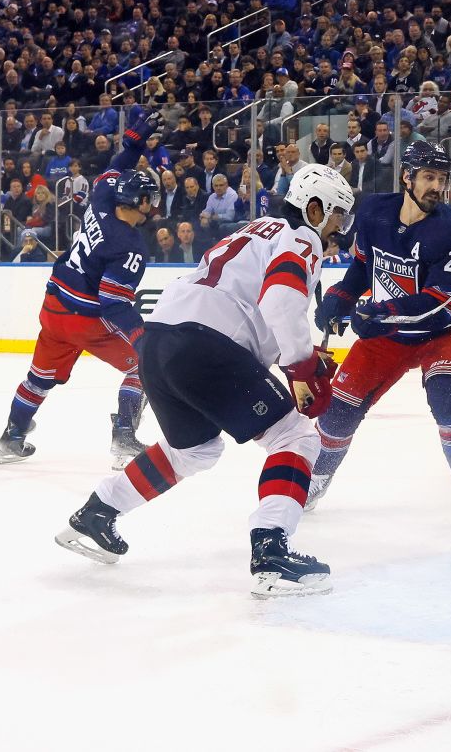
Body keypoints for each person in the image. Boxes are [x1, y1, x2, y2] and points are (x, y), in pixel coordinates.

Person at [55, 165, 356, 598]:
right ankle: (271, 552)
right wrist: (301, 367)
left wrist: (297, 353)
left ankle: (97, 512)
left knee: (194, 449)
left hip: (159, 341)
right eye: (336, 218)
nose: (338, 231)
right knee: (296, 437)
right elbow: (280, 299)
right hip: (205, 344)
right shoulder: (301, 236)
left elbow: (253, 304)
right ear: (314, 207)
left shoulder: (259, 228)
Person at [308, 142, 451, 517]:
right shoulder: (373, 212)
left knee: (448, 397)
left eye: (442, 178)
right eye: (428, 177)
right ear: (407, 177)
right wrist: (340, 297)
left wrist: (378, 313)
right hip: (387, 331)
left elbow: (438, 304)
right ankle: (318, 478)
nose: (437, 186)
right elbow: (360, 268)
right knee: (339, 409)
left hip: (445, 331)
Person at [0, 113, 161, 468]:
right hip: (85, 318)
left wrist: (133, 144)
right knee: (143, 367)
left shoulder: (102, 196)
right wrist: (140, 336)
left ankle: (11, 438)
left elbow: (117, 164)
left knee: (38, 378)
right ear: (141, 203)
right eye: (151, 198)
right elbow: (112, 302)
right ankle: (124, 438)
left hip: (53, 308)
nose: (154, 203)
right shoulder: (130, 245)